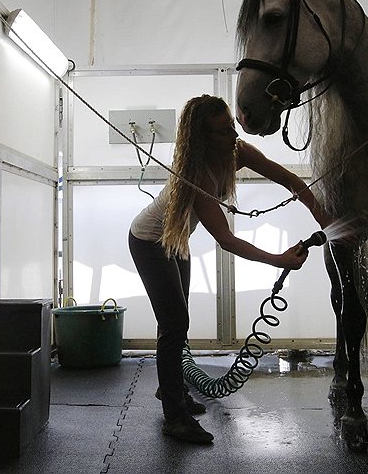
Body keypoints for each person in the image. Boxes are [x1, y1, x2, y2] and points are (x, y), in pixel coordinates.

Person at [128, 94, 329, 444]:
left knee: (177, 320)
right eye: (223, 132)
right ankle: (174, 416)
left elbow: (291, 181)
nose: (234, 136)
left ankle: (170, 389)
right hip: (148, 241)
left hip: (176, 240)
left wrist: (323, 216)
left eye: (232, 126)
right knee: (175, 322)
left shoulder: (238, 151)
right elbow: (227, 240)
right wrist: (279, 260)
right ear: (203, 139)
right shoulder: (196, 178)